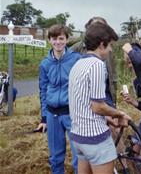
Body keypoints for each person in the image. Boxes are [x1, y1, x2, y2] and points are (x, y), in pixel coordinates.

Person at [68, 22, 131, 174]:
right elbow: (98, 106)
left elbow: (83, 103)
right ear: (101, 45)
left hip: (78, 136)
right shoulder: (97, 65)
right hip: (95, 140)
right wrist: (119, 114)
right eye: (109, 45)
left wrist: (106, 119)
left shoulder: (78, 64)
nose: (110, 50)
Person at [36, 24, 81, 174]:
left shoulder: (76, 59)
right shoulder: (45, 64)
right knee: (55, 157)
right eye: (54, 38)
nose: (58, 42)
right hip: (52, 115)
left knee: (78, 156)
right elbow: (42, 90)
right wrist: (43, 118)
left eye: (61, 38)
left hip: (72, 114)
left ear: (67, 39)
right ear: (49, 40)